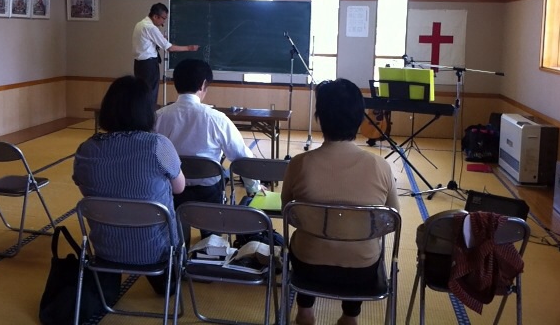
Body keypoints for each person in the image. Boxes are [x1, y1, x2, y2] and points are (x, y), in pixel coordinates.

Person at [281, 78, 400, 325]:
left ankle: (305, 312)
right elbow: (392, 221)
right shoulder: (381, 166)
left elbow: (287, 212)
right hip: (362, 272)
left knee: (305, 240)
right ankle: (350, 316)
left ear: (320, 118)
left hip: (308, 267)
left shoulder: (299, 164)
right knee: (361, 247)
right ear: (359, 119)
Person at [72, 75, 186, 294]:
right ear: (147, 111)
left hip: (106, 249)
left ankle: (109, 281)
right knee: (179, 216)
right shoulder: (157, 144)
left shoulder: (86, 149)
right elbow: (180, 187)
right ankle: (166, 281)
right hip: (155, 252)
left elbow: (85, 189)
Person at [154, 59, 263, 212]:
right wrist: (254, 187)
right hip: (208, 195)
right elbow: (241, 158)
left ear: (175, 83)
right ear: (203, 84)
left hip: (169, 193)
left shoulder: (158, 117)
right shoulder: (217, 119)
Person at [132, 3, 199, 108]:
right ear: (155, 16)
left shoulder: (140, 24)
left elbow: (146, 44)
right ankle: (149, 114)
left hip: (139, 65)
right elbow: (169, 48)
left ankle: (143, 114)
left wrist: (160, 39)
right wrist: (189, 48)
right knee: (150, 94)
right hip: (148, 66)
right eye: (163, 18)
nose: (163, 22)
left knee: (141, 93)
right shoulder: (150, 28)